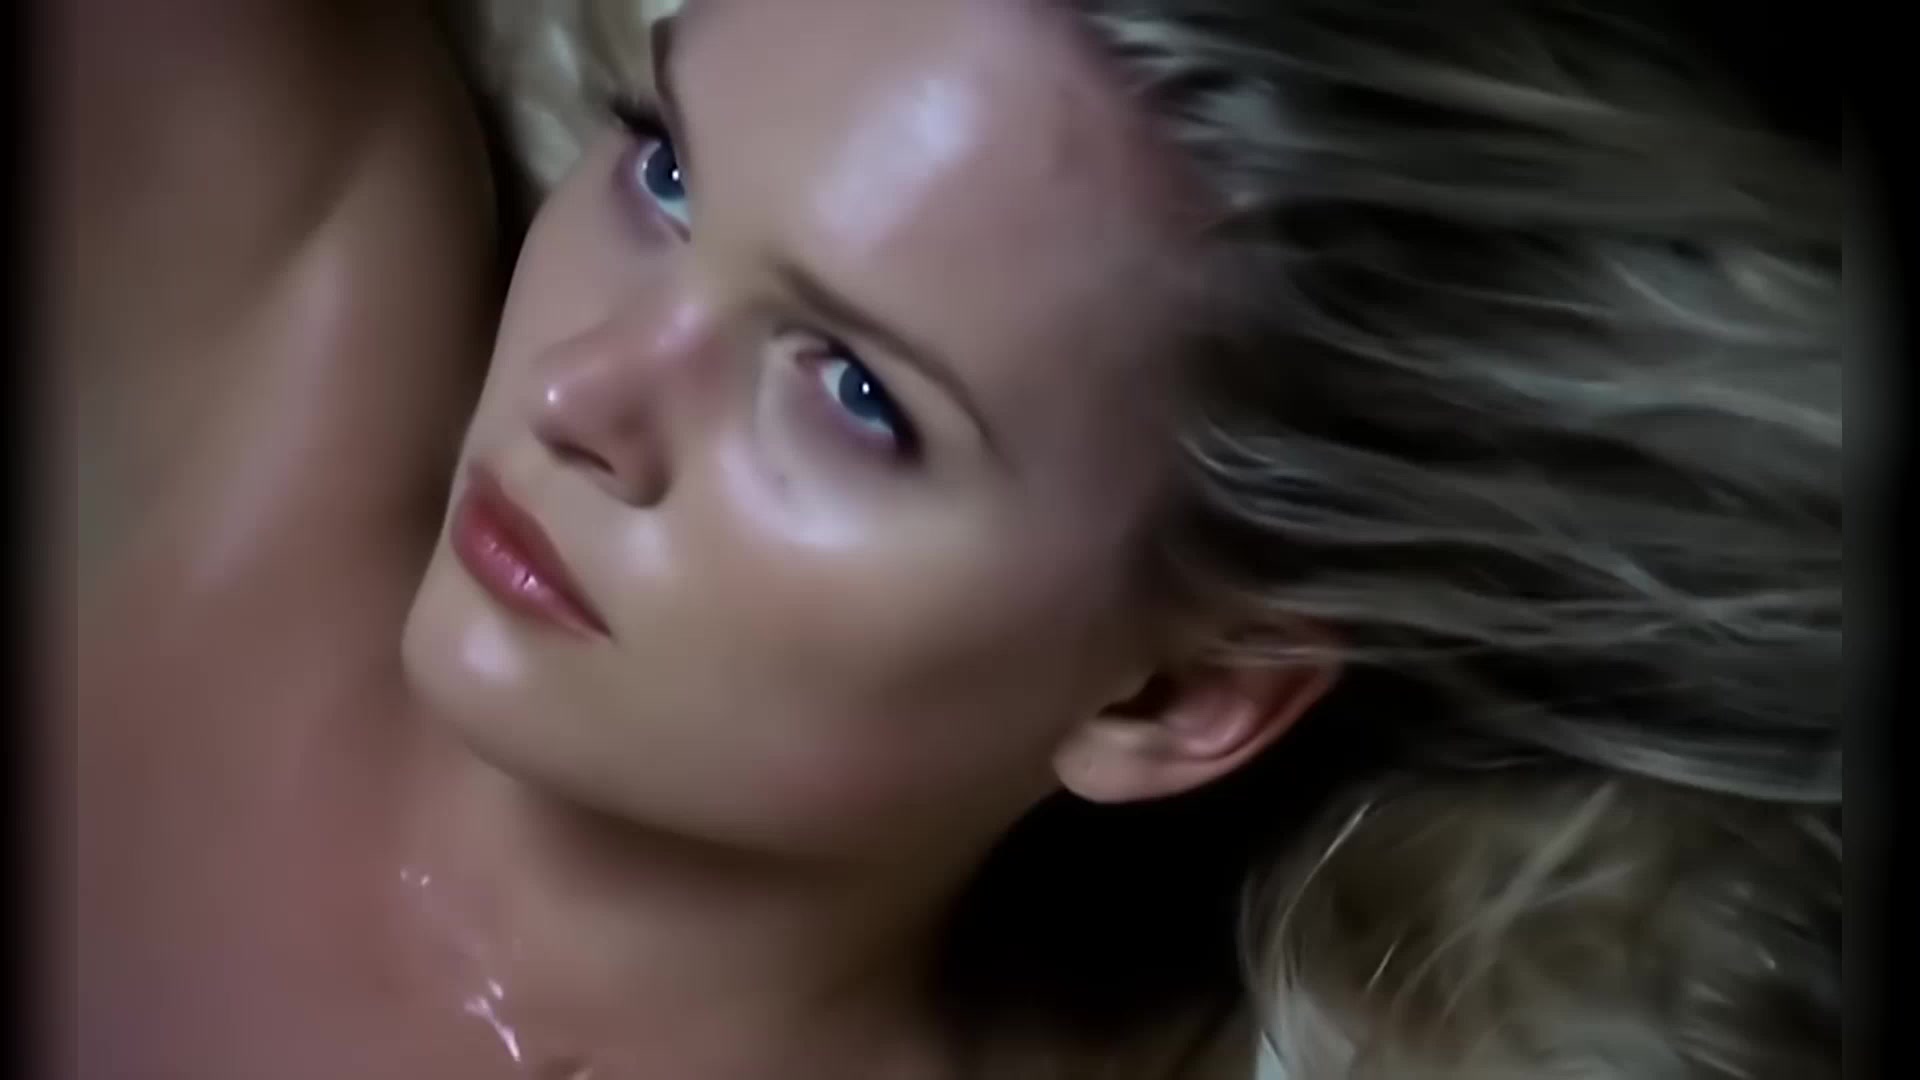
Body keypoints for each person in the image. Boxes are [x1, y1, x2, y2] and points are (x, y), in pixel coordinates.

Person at [60, 0, 1840, 1076]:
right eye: (665, 170)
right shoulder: (272, 343)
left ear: (1180, 697)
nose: (584, 390)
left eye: (852, 393)